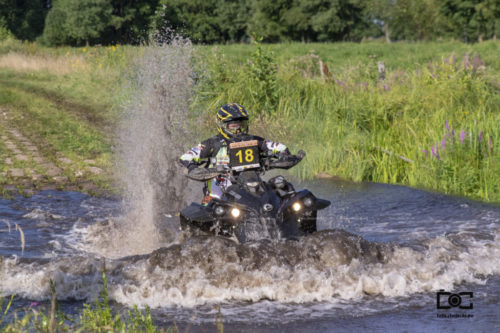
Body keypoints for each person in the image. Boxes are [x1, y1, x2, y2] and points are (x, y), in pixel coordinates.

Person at [179, 103, 289, 204]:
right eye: (233, 126)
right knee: (202, 213)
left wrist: (283, 154)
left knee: (280, 195)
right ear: (222, 125)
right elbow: (186, 157)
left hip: (250, 192)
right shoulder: (212, 143)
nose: (238, 129)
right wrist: (192, 167)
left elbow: (277, 146)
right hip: (218, 196)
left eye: (241, 124)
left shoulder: (254, 140)